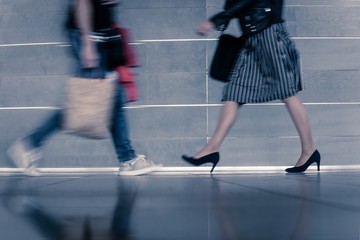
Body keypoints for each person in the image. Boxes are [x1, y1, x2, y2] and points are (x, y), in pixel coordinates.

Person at [7, 0, 160, 176]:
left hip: (101, 36)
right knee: (83, 103)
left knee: (114, 96)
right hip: (90, 37)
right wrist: (87, 43)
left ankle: (128, 159)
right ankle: (29, 144)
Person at [182, 0, 321, 173]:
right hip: (252, 37)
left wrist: (216, 20)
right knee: (234, 91)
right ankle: (212, 148)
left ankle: (309, 150)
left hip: (269, 33)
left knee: (287, 92)